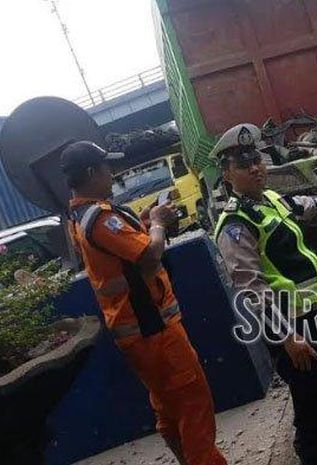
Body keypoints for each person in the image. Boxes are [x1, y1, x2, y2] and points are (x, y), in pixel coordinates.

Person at [61, 141, 227, 465]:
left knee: (167, 407)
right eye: (107, 167)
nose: (113, 173)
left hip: (135, 334)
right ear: (92, 172)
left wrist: (145, 222)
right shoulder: (100, 219)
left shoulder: (79, 216)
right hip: (154, 329)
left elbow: (122, 258)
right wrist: (158, 224)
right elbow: (150, 254)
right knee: (194, 405)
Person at [212, 124, 317, 465]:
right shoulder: (235, 224)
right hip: (292, 326)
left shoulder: (269, 198)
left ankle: (313, 447)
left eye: (256, 159)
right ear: (227, 174)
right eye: (244, 165)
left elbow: (298, 206)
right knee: (314, 404)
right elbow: (252, 288)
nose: (256, 168)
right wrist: (287, 336)